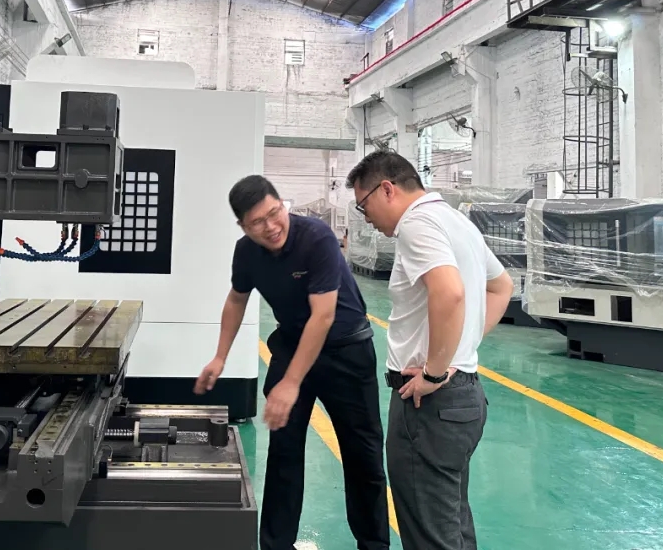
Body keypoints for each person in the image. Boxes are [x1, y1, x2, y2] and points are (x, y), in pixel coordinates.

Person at [195, 175, 389, 550]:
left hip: (346, 351)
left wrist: (291, 382)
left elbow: (323, 317)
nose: (271, 227)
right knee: (284, 453)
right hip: (292, 341)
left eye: (274, 213)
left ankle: (373, 545)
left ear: (282, 204)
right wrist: (220, 357)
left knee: (362, 455)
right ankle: (276, 545)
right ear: (242, 227)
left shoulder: (316, 238)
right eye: (257, 222)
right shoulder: (246, 252)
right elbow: (236, 299)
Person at [346, 152, 513, 550]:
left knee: (430, 534)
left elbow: (449, 292)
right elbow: (501, 286)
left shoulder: (417, 224)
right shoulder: (456, 221)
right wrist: (459, 349)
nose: (366, 218)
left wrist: (436, 370)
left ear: (387, 189)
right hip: (463, 398)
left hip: (429, 404)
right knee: (451, 525)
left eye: (363, 205)